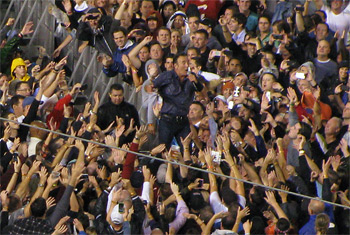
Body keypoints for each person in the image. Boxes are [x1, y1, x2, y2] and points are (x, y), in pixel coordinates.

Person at [152, 53, 203, 149]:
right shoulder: (167, 76)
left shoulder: (191, 78)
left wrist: (195, 81)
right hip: (167, 120)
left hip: (183, 120)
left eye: (187, 63)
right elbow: (153, 85)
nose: (186, 66)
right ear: (175, 66)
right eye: (183, 63)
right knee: (163, 148)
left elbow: (201, 89)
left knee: (186, 148)